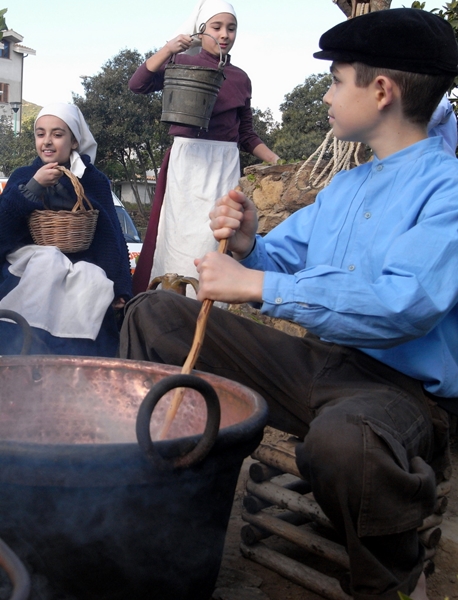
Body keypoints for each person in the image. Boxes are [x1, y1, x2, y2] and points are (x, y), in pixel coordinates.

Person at [119, 8, 458, 600]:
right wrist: (251, 243)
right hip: (313, 367)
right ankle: (155, 505)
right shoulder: (349, 185)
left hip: (396, 395)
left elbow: (405, 305)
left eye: (335, 80)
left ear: (380, 92)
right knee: (153, 313)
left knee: (345, 442)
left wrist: (257, 286)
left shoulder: (447, 187)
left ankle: (396, 585)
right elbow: (281, 257)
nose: (327, 95)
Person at [129, 0, 280, 296]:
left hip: (224, 166)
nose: (224, 34)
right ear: (202, 31)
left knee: (215, 241)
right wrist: (170, 48)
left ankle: (211, 317)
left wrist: (279, 161)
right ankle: (169, 312)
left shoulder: (240, 78)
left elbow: (247, 135)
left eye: (231, 28)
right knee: (179, 241)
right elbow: (138, 84)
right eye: (216, 27)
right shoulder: (181, 64)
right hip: (188, 164)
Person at [0, 103, 132, 356]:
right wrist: (32, 188)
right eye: (41, 134)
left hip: (82, 265)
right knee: (47, 262)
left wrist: (121, 286)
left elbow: (110, 237)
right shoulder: (23, 176)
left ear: (73, 141)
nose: (47, 141)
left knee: (90, 282)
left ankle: (76, 364)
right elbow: (3, 231)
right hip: (27, 269)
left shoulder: (93, 180)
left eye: (57, 134)